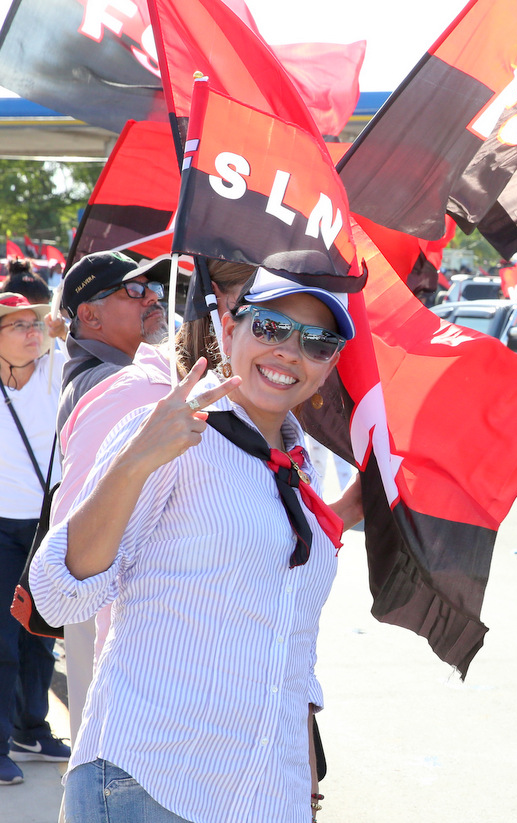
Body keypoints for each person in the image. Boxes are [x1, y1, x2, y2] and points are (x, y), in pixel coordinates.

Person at [30, 271, 355, 823]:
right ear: (229, 330)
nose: (289, 351)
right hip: (151, 782)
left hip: (265, 793)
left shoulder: (296, 470)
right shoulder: (172, 432)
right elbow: (59, 597)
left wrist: (303, 778)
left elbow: (290, 644)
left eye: (317, 341)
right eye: (271, 327)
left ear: (329, 365)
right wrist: (135, 459)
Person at [0, 293, 66, 787]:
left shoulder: (55, 369)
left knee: (42, 634)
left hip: (48, 523)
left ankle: (31, 729)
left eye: (34, 323)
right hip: (2, 527)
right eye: (17, 325)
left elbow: (70, 335)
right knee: (3, 641)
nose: (31, 331)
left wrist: (59, 329)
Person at [56, 250, 169, 432]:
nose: (153, 297)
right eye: (133, 289)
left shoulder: (105, 375)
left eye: (152, 287)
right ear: (90, 316)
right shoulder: (105, 382)